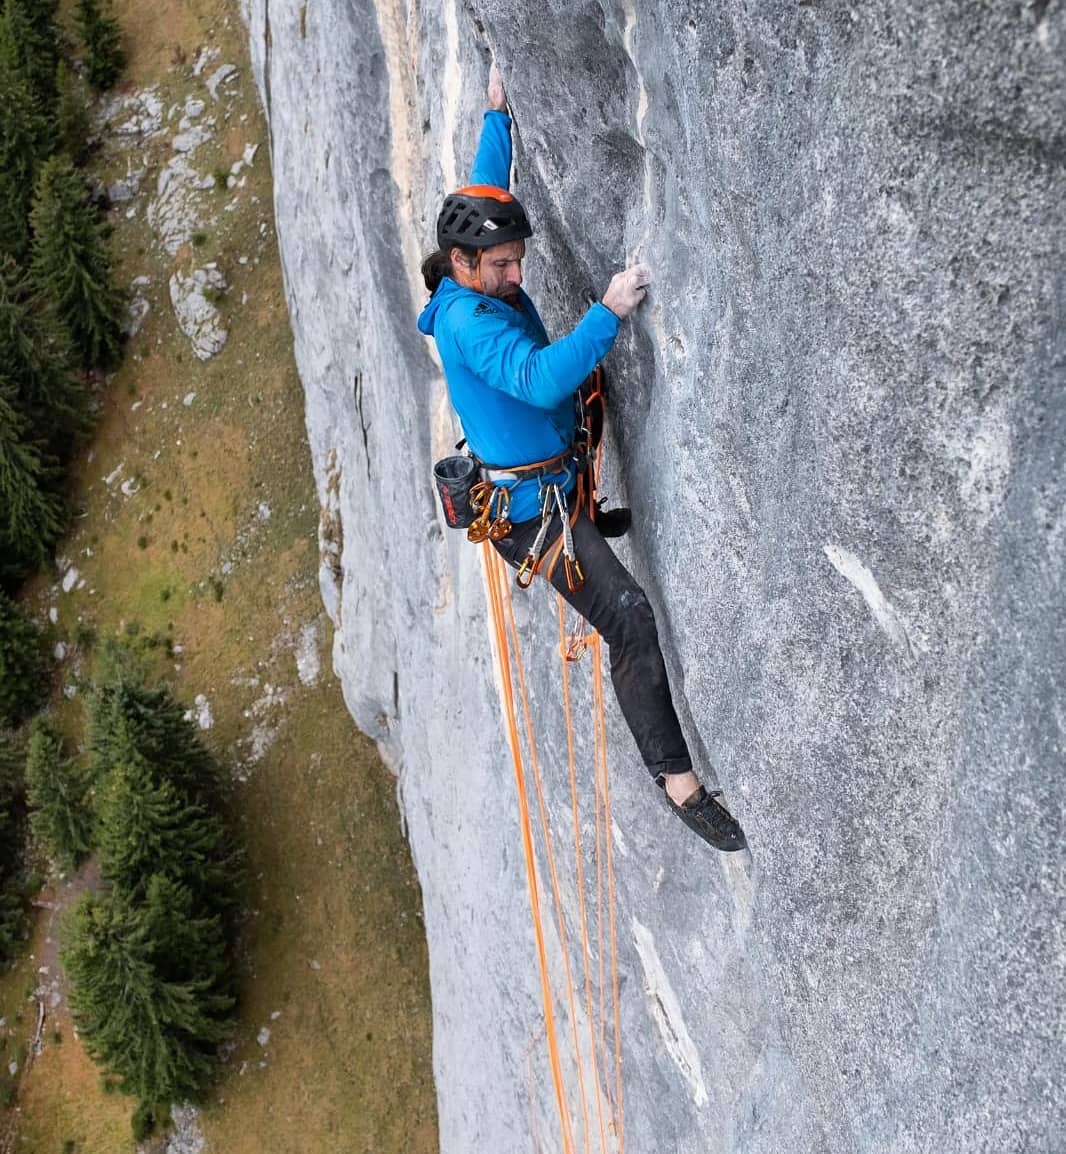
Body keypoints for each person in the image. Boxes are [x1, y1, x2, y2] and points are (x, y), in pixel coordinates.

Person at [417, 64, 746, 853]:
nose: (516, 273)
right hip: (532, 518)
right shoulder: (469, 324)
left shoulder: (476, 262)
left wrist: (497, 116)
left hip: (553, 483)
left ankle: (595, 517)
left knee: (583, 422)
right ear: (462, 267)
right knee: (627, 617)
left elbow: (483, 190)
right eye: (501, 266)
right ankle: (678, 785)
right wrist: (608, 309)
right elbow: (538, 380)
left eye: (516, 258)